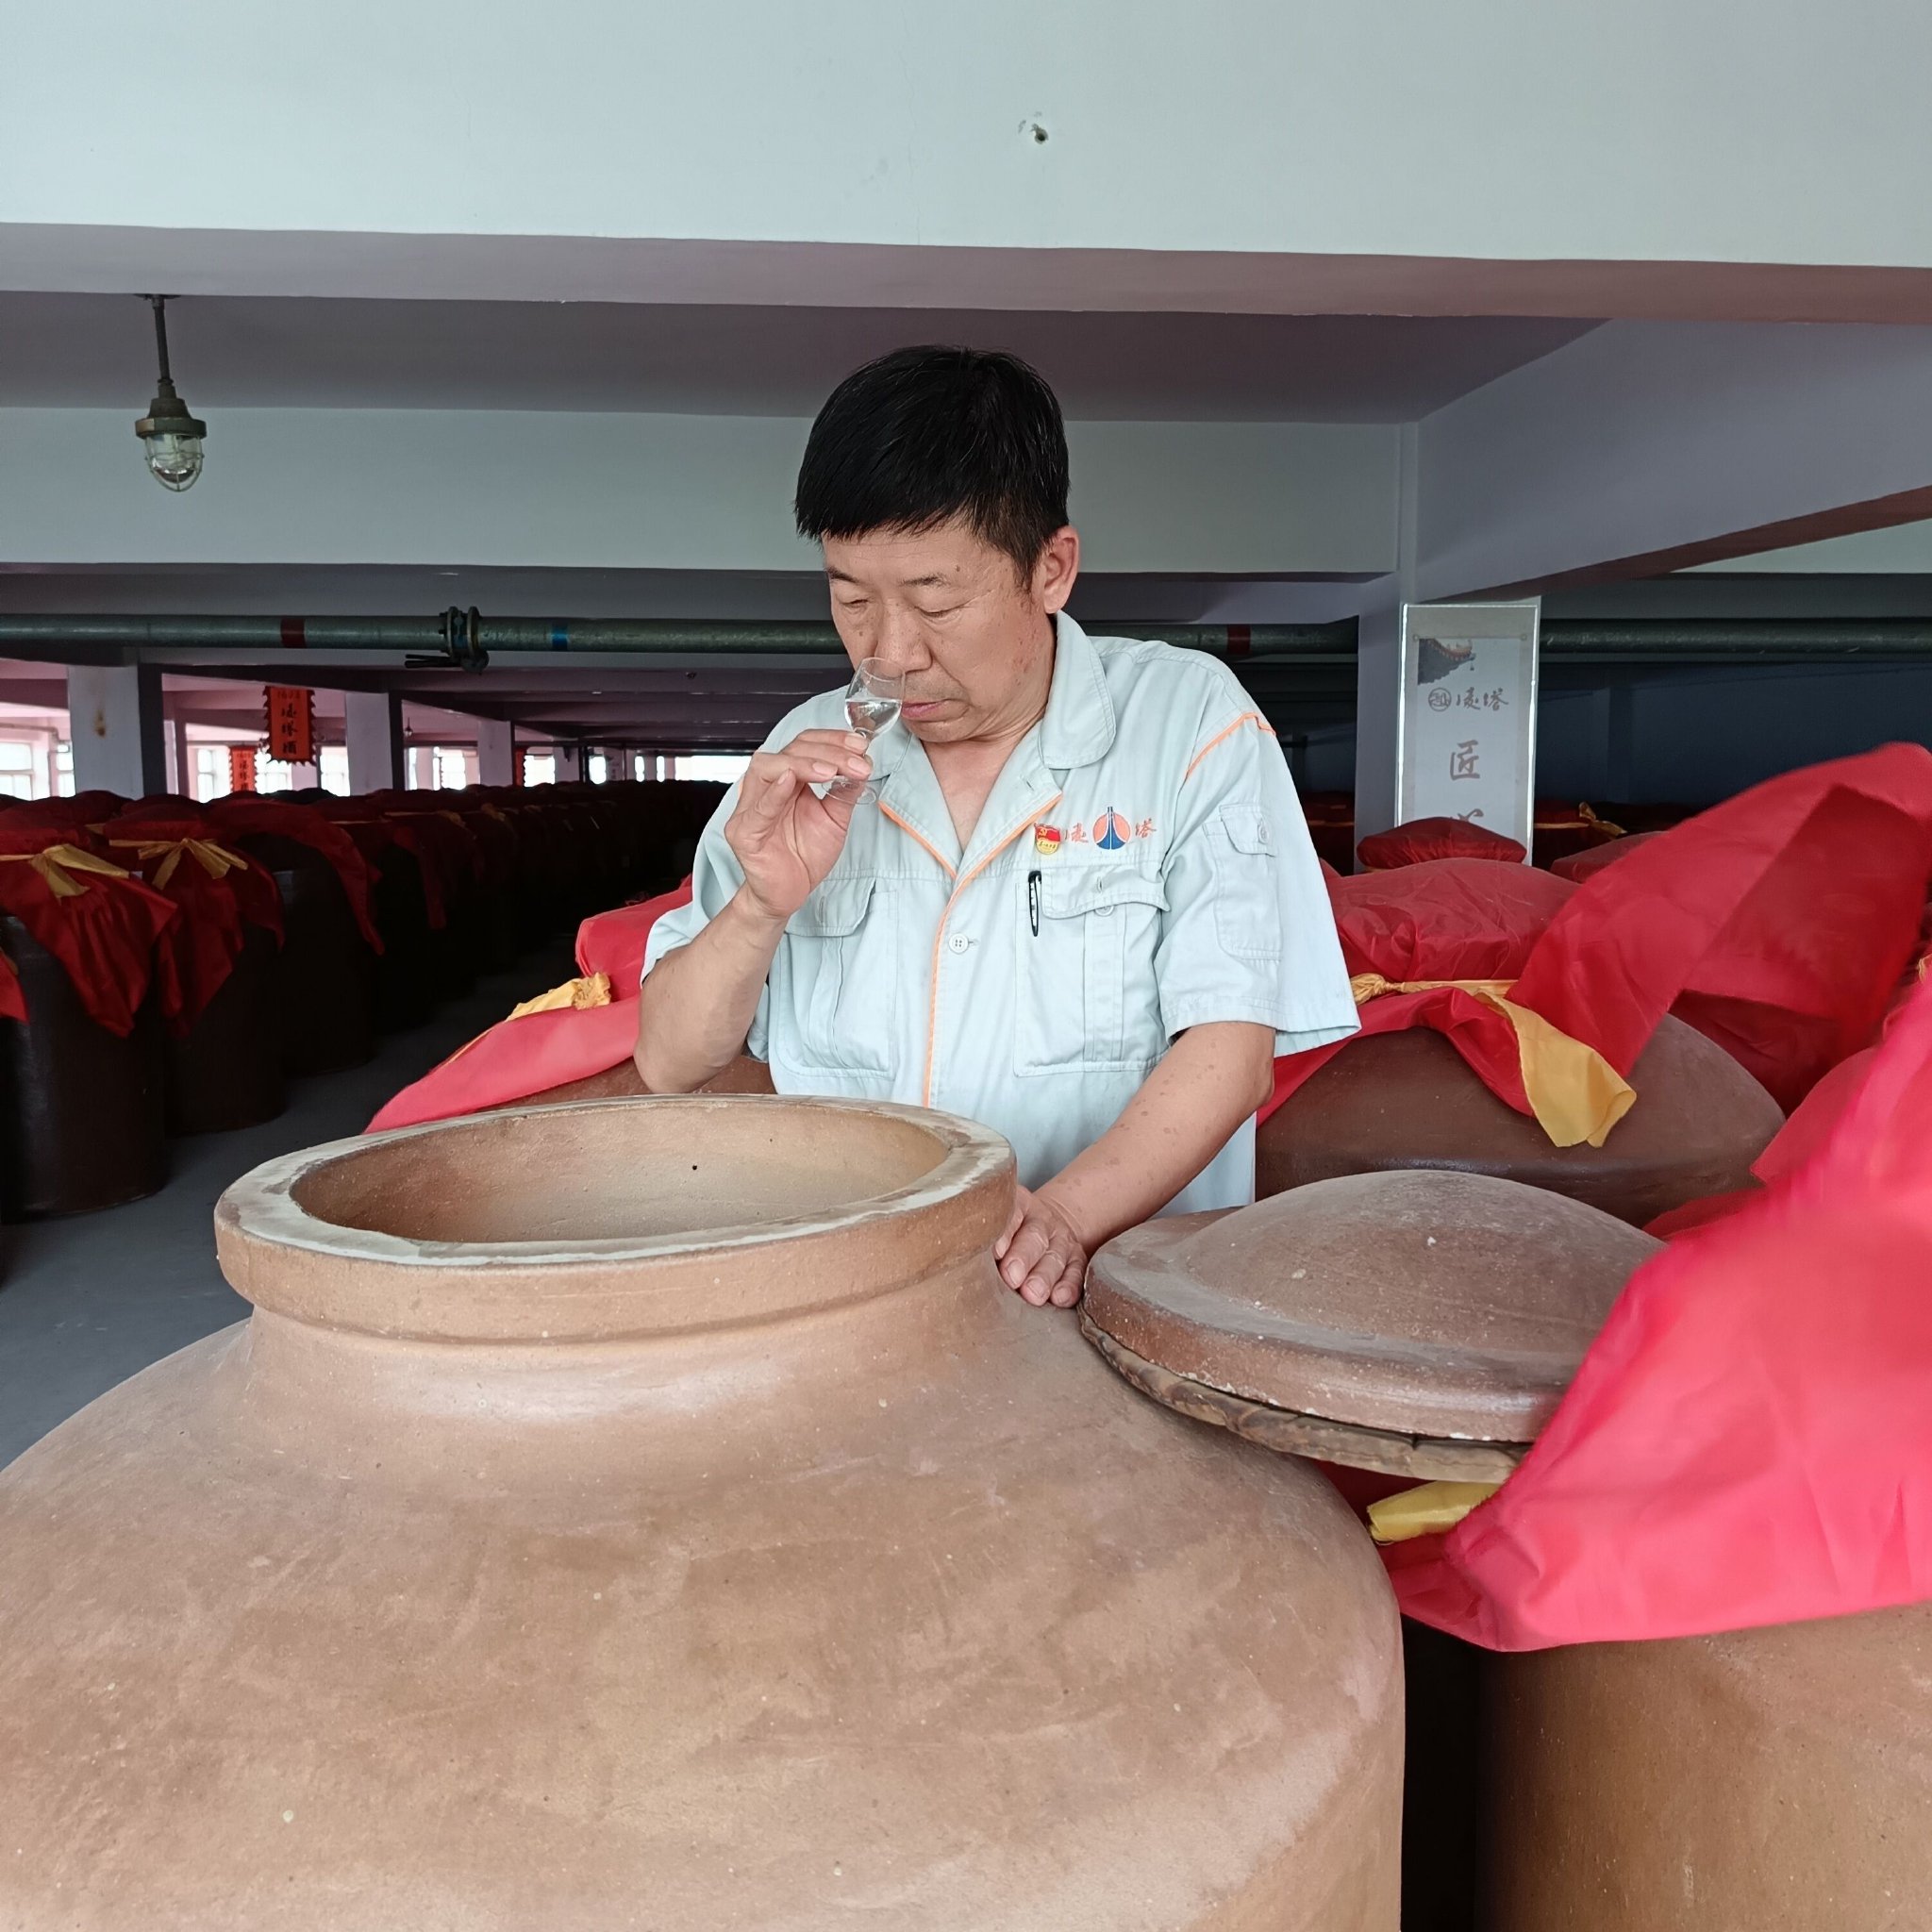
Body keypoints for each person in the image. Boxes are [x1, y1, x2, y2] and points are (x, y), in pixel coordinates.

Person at [637, 346, 1356, 1308]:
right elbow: (669, 1060)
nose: (888, 652)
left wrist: (1057, 1219)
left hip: (1115, 1292)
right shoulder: (804, 752)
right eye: (850, 599)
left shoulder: (1188, 725)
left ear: (1050, 568)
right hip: (857, 1289)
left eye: (935, 600)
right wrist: (761, 905)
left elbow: (1228, 1051)